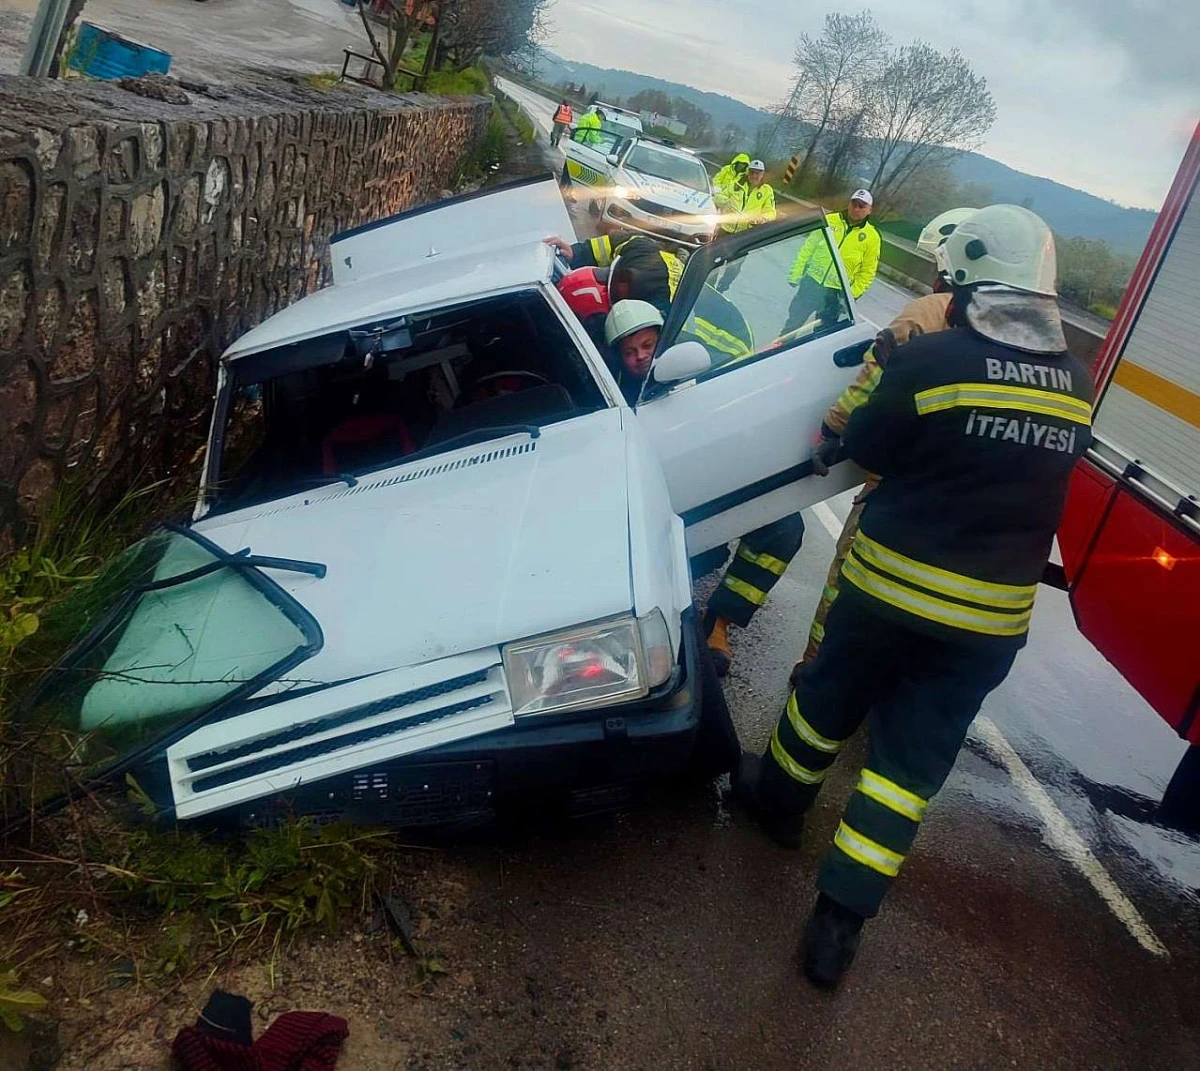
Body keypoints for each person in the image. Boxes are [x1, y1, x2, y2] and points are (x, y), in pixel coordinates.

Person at [732, 204, 1093, 990]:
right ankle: (837, 927)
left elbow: (864, 443)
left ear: (966, 279)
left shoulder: (933, 360)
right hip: (989, 625)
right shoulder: (1075, 381)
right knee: (906, 771)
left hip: (889, 590)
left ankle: (778, 808)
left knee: (823, 705)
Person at [796, 208, 977, 668]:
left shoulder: (927, 313)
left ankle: (817, 666)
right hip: (967, 499)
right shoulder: (1017, 337)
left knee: (850, 576)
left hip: (900, 482)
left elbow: (872, 379)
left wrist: (833, 430)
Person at [783, 189, 880, 334]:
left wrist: (849, 296)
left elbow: (867, 272)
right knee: (791, 328)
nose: (856, 209)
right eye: (854, 204)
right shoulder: (829, 220)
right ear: (849, 204)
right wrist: (795, 273)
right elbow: (808, 248)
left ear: (869, 210)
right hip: (811, 283)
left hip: (835, 295)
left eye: (862, 206)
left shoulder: (872, 237)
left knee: (822, 336)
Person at [715, 160, 777, 292]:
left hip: (744, 235)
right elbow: (718, 197)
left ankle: (721, 289)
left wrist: (762, 219)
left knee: (734, 268)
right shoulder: (736, 184)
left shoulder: (766, 191)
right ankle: (708, 286)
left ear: (762, 174)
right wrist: (725, 201)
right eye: (752, 172)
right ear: (748, 173)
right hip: (725, 230)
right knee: (714, 261)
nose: (755, 176)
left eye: (758, 173)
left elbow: (771, 212)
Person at [603, 300, 662, 404]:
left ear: (662, 338)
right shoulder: (620, 399)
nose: (640, 356)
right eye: (629, 353)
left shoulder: (687, 363)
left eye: (647, 345)